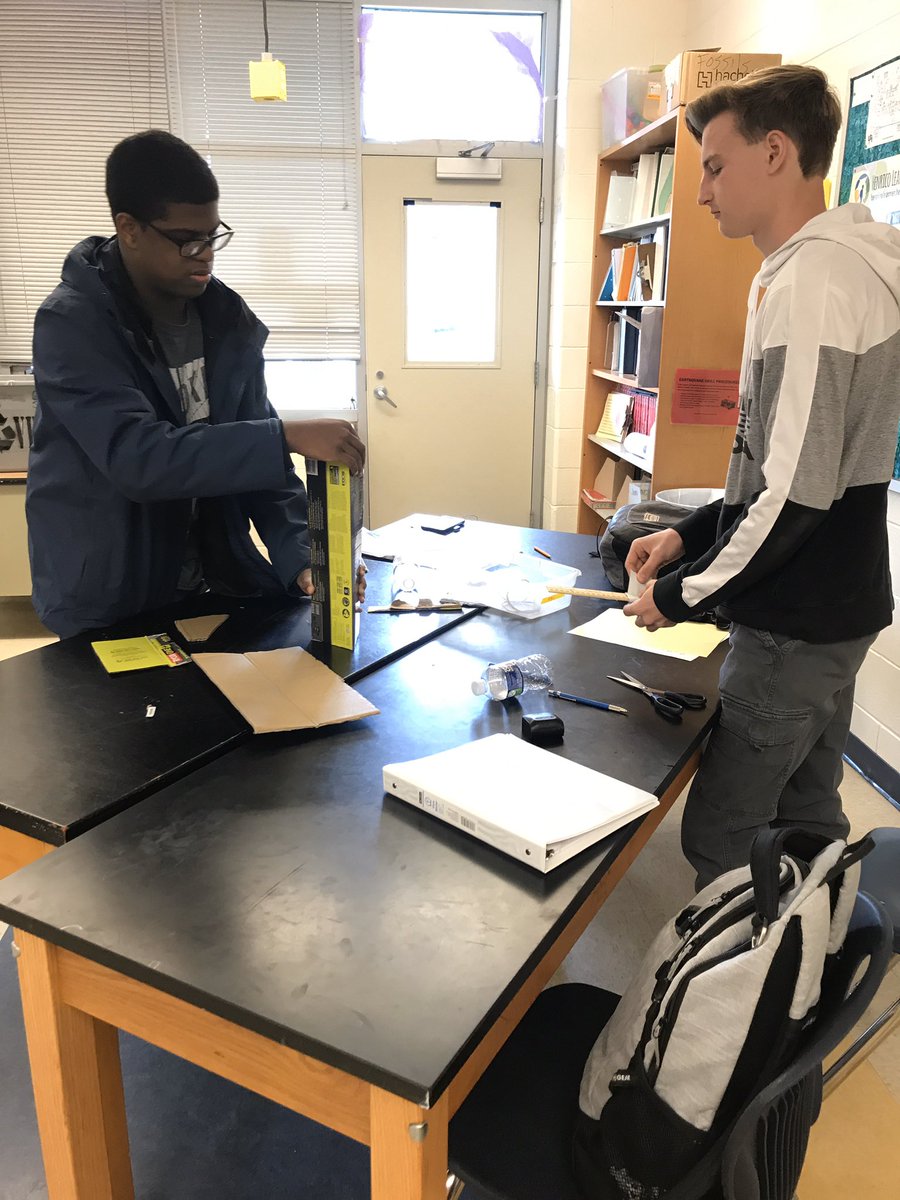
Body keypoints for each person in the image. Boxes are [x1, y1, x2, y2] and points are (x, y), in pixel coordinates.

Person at [622, 66, 900, 888]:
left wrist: (675, 596)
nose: (703, 191)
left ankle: (740, 1009)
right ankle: (808, 973)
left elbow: (796, 495)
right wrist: (686, 534)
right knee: (809, 811)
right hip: (835, 607)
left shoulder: (816, 279)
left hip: (794, 621)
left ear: (775, 152)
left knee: (722, 838)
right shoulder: (826, 268)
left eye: (714, 163)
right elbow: (772, 469)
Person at [26, 129, 365, 638]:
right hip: (108, 593)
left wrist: (303, 558)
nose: (205, 253)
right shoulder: (73, 325)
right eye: (187, 240)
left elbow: (263, 474)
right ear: (130, 228)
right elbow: (137, 457)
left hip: (215, 580)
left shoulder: (226, 320)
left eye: (213, 235)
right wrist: (285, 436)